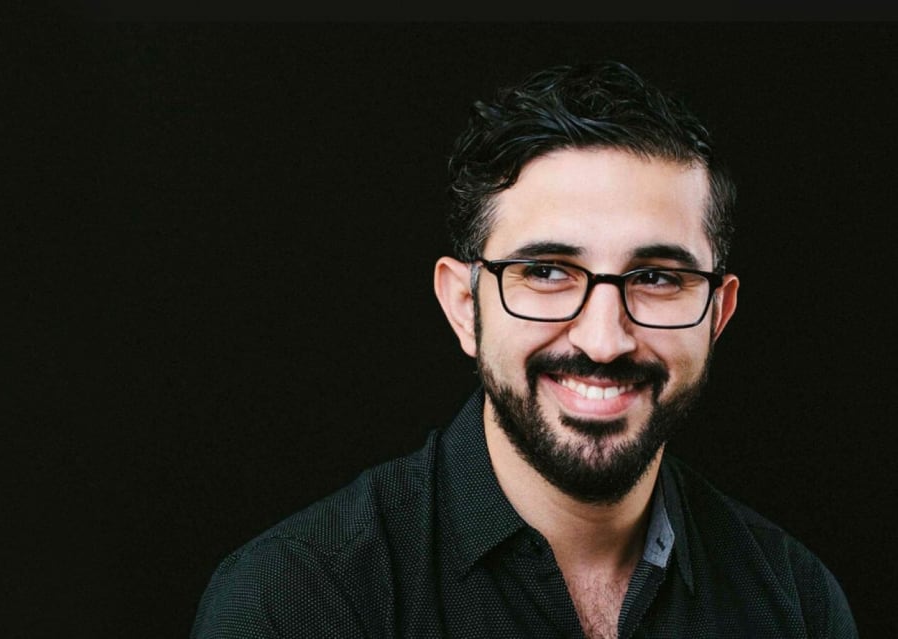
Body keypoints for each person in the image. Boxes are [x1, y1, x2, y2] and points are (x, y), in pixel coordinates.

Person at [190, 61, 856, 638]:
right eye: (546, 271)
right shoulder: (295, 600)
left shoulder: (797, 603)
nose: (603, 340)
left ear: (717, 313)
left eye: (656, 278)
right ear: (464, 306)